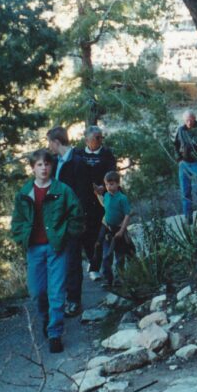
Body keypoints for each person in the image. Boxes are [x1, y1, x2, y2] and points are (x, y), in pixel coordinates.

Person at [10, 149, 83, 353]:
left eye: (47, 164)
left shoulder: (63, 190)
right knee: (37, 291)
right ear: (33, 168)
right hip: (34, 249)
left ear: (52, 167)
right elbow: (17, 222)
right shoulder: (24, 194)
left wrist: (66, 234)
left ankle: (55, 334)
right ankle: (46, 318)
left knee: (57, 291)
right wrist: (21, 237)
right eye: (39, 165)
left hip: (56, 247)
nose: (44, 168)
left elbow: (76, 214)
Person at [46, 126, 86, 317]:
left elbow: (81, 193)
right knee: (59, 260)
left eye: (50, 143)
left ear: (56, 142)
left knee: (72, 260)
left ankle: (74, 301)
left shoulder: (77, 162)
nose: (49, 147)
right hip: (56, 220)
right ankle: (61, 299)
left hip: (71, 219)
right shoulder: (54, 162)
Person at [78, 126, 117, 281]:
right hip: (86, 200)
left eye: (101, 137)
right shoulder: (79, 154)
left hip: (104, 199)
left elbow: (113, 172)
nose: (100, 140)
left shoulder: (106, 153)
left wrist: (104, 186)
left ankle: (105, 267)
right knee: (88, 233)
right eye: (97, 138)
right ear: (87, 140)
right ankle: (93, 265)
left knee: (104, 233)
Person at [95, 171, 132, 288]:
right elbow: (104, 204)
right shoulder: (106, 195)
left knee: (120, 256)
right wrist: (97, 193)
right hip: (107, 229)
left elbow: (127, 215)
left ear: (117, 184)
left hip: (118, 229)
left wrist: (122, 230)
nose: (109, 187)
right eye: (107, 184)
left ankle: (120, 279)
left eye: (111, 184)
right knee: (106, 255)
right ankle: (108, 279)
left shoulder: (122, 198)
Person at [173, 109, 197, 219]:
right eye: (186, 121)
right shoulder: (181, 130)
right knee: (185, 192)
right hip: (184, 164)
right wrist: (179, 159)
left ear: (194, 119)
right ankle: (188, 218)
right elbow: (176, 145)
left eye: (190, 120)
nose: (189, 123)